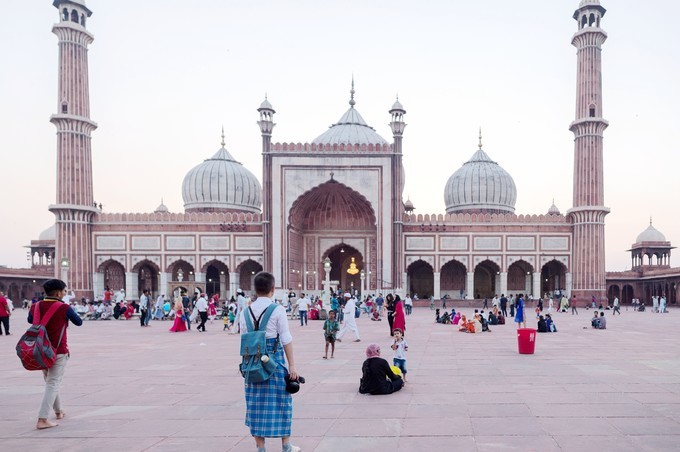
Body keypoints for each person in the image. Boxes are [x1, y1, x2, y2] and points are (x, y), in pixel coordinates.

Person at [238, 272, 299, 452]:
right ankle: (286, 445)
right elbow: (286, 338)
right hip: (275, 360)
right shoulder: (277, 309)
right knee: (282, 401)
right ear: (273, 289)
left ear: (255, 290)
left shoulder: (245, 312)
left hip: (252, 362)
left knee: (255, 403)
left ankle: (260, 447)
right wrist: (292, 365)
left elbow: (245, 338)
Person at [28, 279, 83, 430]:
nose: (65, 294)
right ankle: (42, 419)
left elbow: (30, 320)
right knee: (53, 383)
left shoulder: (36, 306)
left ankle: (59, 411)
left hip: (39, 350)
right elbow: (79, 322)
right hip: (58, 351)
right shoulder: (63, 307)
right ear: (59, 293)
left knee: (50, 382)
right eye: (65, 291)